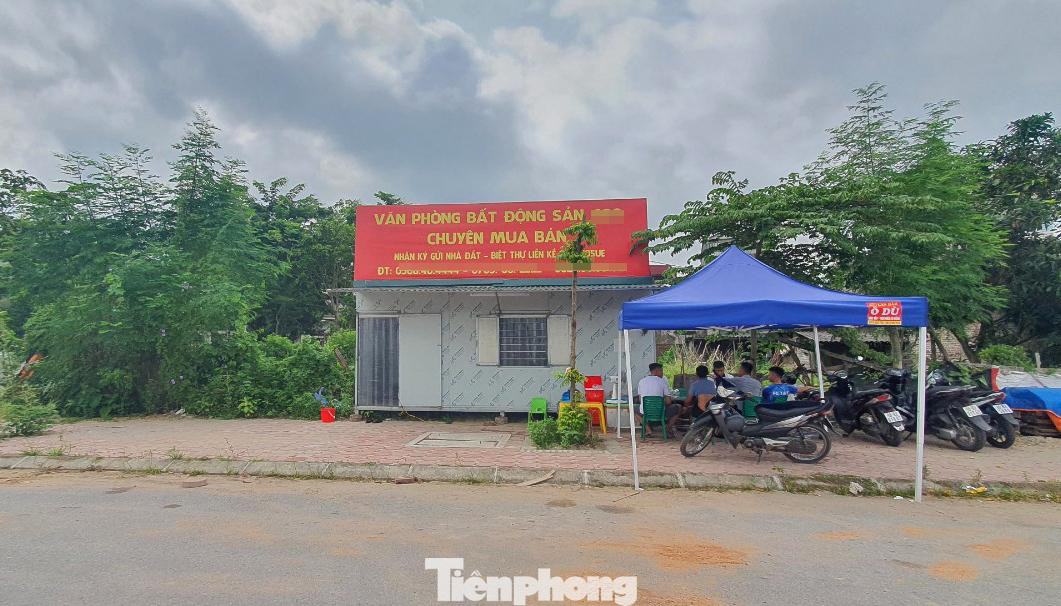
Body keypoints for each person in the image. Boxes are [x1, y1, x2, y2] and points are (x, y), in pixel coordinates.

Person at [667, 364, 716, 435]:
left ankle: (691, 430)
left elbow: (688, 400)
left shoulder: (695, 385)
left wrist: (685, 406)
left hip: (698, 410)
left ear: (697, 374)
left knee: (687, 408)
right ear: (707, 373)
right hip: (710, 409)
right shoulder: (712, 384)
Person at [636, 362, 674, 436]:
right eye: (661, 371)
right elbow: (668, 402)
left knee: (632, 409)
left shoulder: (641, 381)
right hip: (660, 412)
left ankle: (648, 430)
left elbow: (641, 400)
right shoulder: (662, 382)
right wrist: (661, 402)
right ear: (656, 371)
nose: (662, 373)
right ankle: (667, 429)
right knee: (679, 408)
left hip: (645, 412)